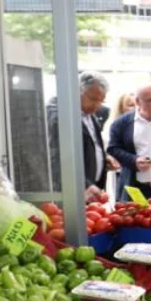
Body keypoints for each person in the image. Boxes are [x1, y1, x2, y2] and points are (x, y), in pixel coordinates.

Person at [47, 71, 110, 203]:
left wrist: (103, 158)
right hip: (74, 192)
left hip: (92, 189)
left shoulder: (89, 113)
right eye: (93, 99)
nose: (97, 106)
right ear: (76, 91)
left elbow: (91, 144)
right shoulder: (59, 115)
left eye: (101, 101)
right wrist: (85, 184)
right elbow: (58, 158)